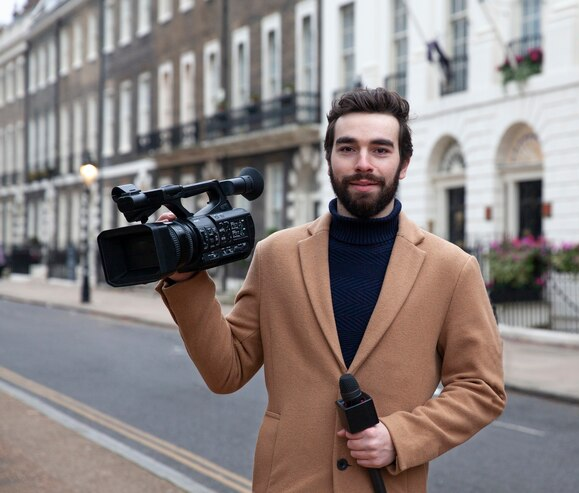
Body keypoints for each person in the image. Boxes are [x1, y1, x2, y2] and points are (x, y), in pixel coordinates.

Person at [156, 87, 506, 492]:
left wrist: (400, 437)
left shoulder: (452, 269)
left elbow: (481, 388)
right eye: (347, 148)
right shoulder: (276, 256)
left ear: (403, 163)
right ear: (328, 159)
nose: (362, 164)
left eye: (380, 150)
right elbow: (226, 371)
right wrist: (186, 280)